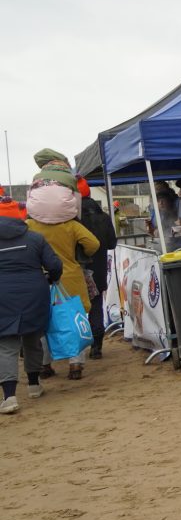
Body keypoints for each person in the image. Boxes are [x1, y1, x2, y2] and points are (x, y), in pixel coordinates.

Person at [25, 151, 99, 381]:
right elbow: (93, 244)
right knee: (74, 319)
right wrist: (81, 255)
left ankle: (45, 365)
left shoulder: (30, 226)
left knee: (44, 323)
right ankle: (76, 365)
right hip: (70, 277)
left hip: (40, 280)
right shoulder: (71, 225)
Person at [0, 197, 62, 412]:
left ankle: (9, 396)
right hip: (34, 294)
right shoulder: (35, 238)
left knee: (6, 346)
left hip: (3, 297)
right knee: (33, 339)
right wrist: (51, 279)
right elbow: (54, 265)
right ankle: (34, 385)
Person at [76, 176, 117, 359]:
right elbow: (112, 243)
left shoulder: (72, 220)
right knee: (96, 305)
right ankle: (97, 346)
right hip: (99, 268)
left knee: (75, 309)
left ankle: (78, 352)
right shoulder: (104, 217)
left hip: (78, 269)